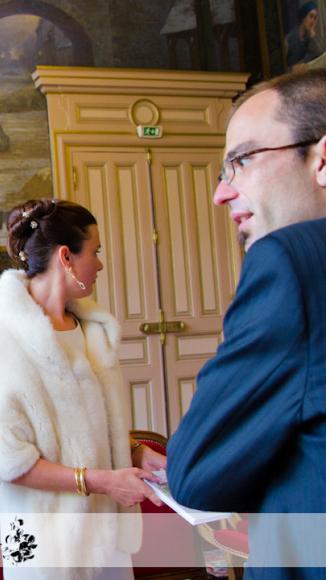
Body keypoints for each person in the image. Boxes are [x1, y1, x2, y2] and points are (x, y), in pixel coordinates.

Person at [0, 199, 165, 580]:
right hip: (43, 540)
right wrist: (101, 480)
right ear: (66, 256)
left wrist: (133, 451)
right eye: (94, 252)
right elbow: (6, 461)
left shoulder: (93, 331)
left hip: (106, 532)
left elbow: (91, 425)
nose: (99, 264)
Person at [167, 70, 326, 575]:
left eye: (240, 161)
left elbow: (197, 473)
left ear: (322, 160)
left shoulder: (291, 263)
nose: (220, 193)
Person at [285, 2, 322, 72]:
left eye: (315, 18)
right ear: (303, 17)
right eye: (311, 16)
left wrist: (313, 37)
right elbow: (279, 68)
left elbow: (319, 53)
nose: (312, 21)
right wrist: (292, 69)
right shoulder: (290, 38)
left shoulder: (308, 38)